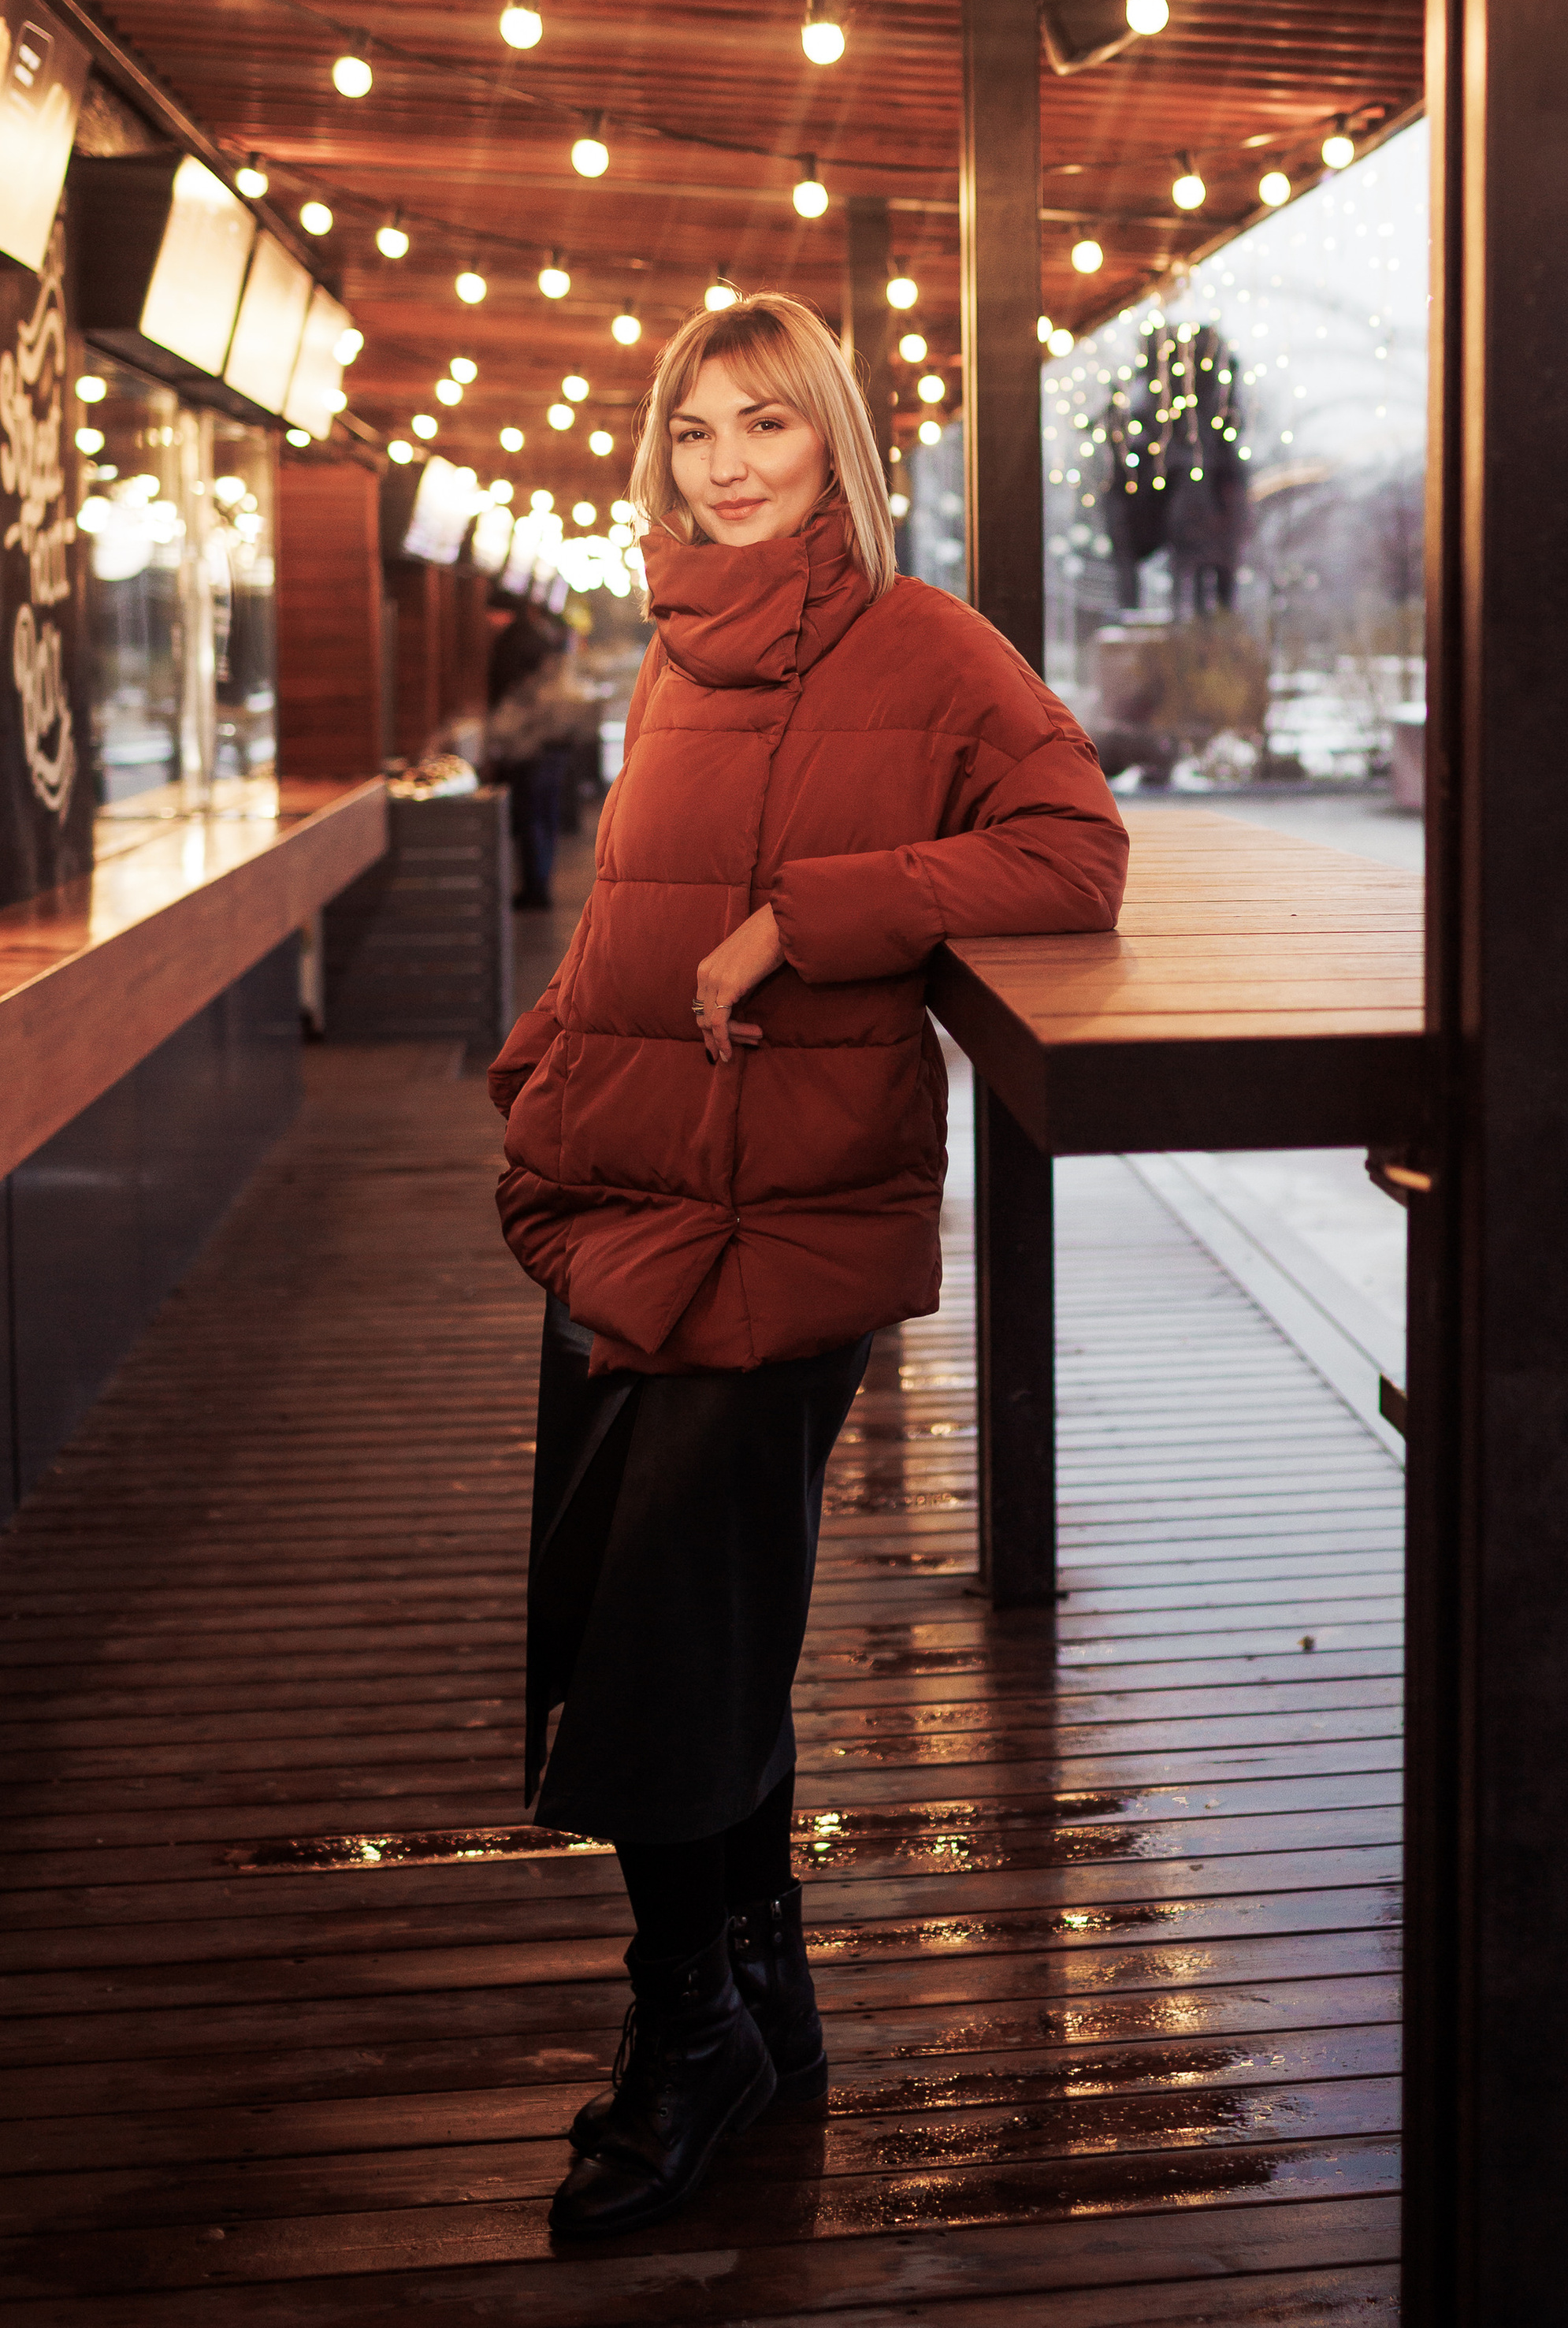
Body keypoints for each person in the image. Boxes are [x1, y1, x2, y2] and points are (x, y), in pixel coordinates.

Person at [488, 292, 1128, 2241]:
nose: (728, 462)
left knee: (669, 1639)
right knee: (643, 1611)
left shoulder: (919, 644)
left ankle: (683, 2032)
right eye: (694, 430)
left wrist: (806, 921)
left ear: (830, 439)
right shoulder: (682, 643)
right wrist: (548, 1058)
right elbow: (632, 902)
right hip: (624, 1187)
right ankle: (760, 1997)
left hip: (784, 1222)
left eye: (764, 423)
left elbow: (1072, 850)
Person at [485, 599, 578, 909]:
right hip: (553, 750)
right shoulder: (550, 650)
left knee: (533, 823)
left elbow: (513, 713)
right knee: (545, 821)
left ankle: (535, 890)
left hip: (533, 754)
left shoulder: (518, 650)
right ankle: (539, 886)